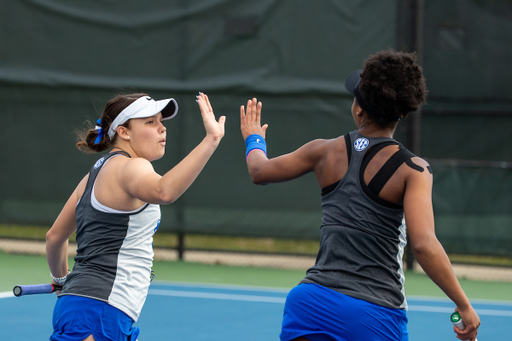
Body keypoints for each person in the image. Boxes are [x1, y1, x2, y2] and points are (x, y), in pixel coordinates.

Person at [240, 49, 480, 341]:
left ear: (359, 109)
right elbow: (424, 244)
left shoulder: (323, 151)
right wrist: (463, 305)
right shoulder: (413, 170)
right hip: (373, 315)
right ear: (403, 112)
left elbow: (259, 171)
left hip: (308, 304)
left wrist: (255, 138)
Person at [46, 92, 225, 341]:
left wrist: (62, 281)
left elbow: (54, 237)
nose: (162, 129)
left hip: (79, 307)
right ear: (124, 132)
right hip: (101, 312)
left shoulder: (93, 175)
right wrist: (211, 139)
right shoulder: (133, 166)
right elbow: (164, 191)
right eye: (150, 122)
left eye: (161, 121)